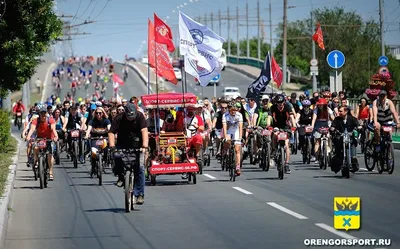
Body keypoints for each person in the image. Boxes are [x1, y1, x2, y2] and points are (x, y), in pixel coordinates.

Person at [108, 103, 148, 205]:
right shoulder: (119, 118)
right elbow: (111, 132)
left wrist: (144, 147)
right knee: (116, 156)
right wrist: (112, 147)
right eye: (129, 116)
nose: (131, 118)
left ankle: (139, 194)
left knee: (140, 168)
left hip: (137, 145)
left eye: (132, 116)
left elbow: (144, 131)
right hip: (122, 144)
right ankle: (121, 176)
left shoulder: (140, 116)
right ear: (125, 113)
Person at [26, 107, 58, 181]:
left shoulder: (50, 120)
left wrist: (56, 136)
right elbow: (32, 129)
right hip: (39, 138)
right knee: (36, 148)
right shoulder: (36, 121)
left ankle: (50, 172)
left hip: (48, 139)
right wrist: (28, 136)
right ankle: (36, 161)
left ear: (46, 113)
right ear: (39, 114)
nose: (43, 115)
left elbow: (53, 129)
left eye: (44, 113)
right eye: (41, 113)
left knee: (50, 155)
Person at [270, 94, 296, 173]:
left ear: (284, 102)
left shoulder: (287, 107)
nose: (280, 104)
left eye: (281, 102)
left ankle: (287, 164)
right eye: (278, 102)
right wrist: (269, 126)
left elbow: (291, 117)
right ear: (276, 102)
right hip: (276, 126)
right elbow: (269, 117)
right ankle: (274, 150)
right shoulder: (273, 108)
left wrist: (294, 126)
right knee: (274, 135)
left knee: (287, 145)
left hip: (286, 127)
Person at [330, 106, 359, 173]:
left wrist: (358, 127)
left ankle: (353, 159)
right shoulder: (337, 119)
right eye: (339, 111)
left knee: (353, 142)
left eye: (341, 111)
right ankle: (339, 159)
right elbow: (333, 126)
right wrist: (332, 128)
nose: (339, 113)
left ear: (346, 112)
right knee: (337, 146)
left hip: (350, 137)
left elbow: (357, 124)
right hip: (340, 138)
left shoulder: (352, 118)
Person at [222, 102, 243, 176]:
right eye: (232, 110)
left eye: (235, 110)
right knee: (227, 141)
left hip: (236, 131)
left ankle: (237, 167)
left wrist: (240, 137)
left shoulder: (239, 115)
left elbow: (240, 127)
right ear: (229, 110)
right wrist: (225, 137)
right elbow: (224, 127)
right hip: (228, 131)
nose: (234, 111)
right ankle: (226, 153)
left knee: (237, 150)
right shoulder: (225, 115)